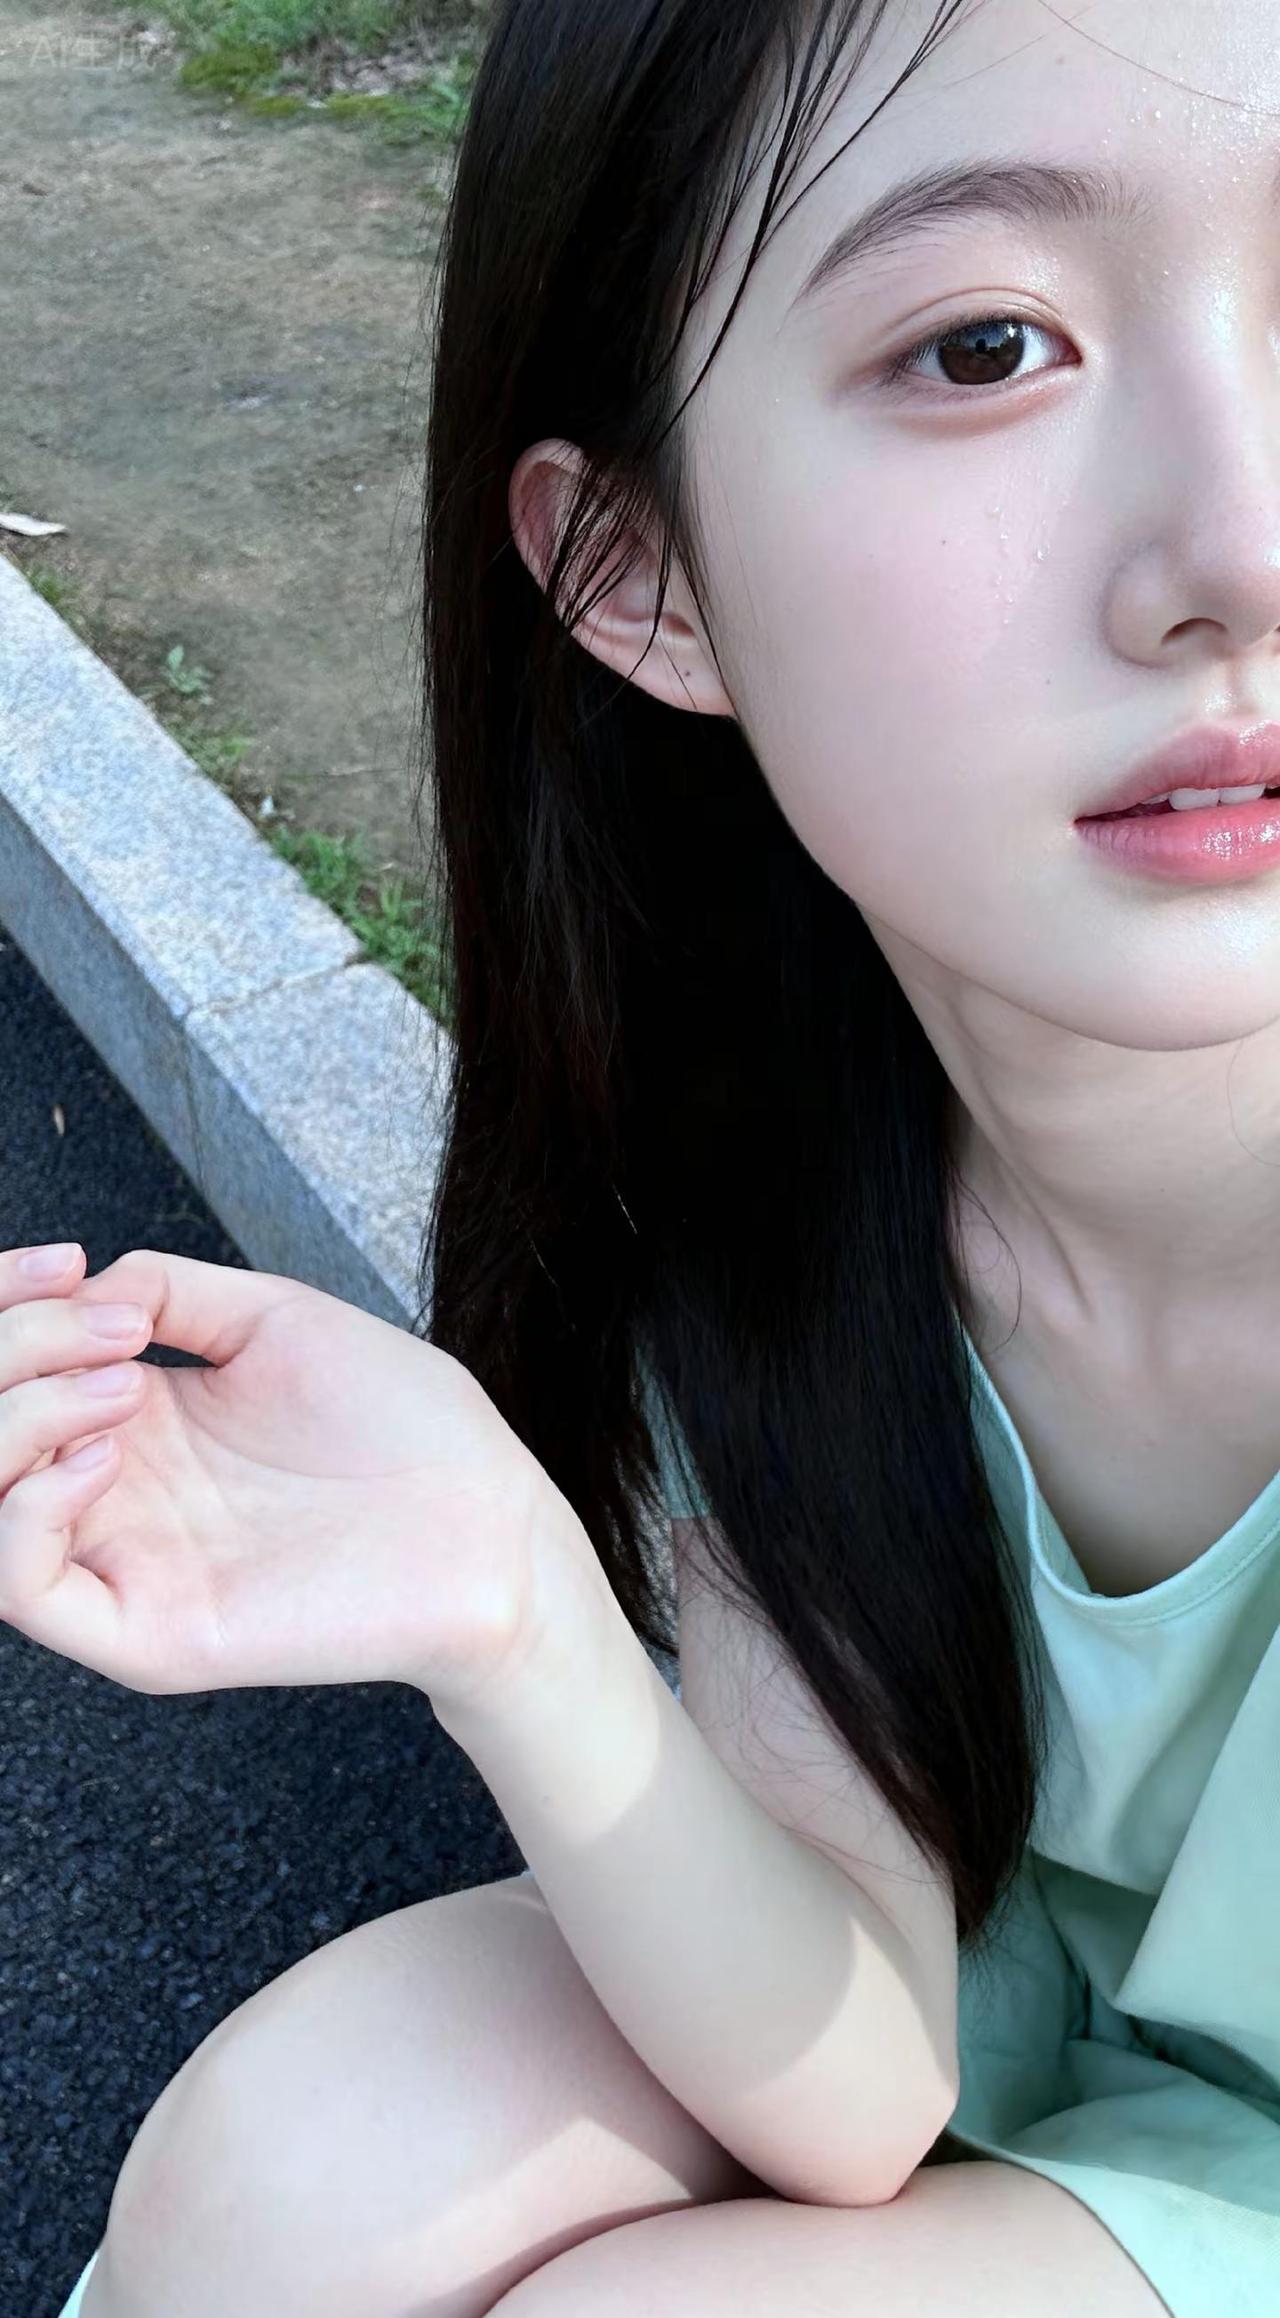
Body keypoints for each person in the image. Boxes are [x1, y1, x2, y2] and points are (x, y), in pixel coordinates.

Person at [50, 0, 1280, 2311]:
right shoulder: (778, 1192)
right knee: (284, 2170)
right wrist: (511, 1592)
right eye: (987, 345)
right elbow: (861, 2072)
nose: (1239, 547)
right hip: (998, 2044)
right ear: (642, 575)